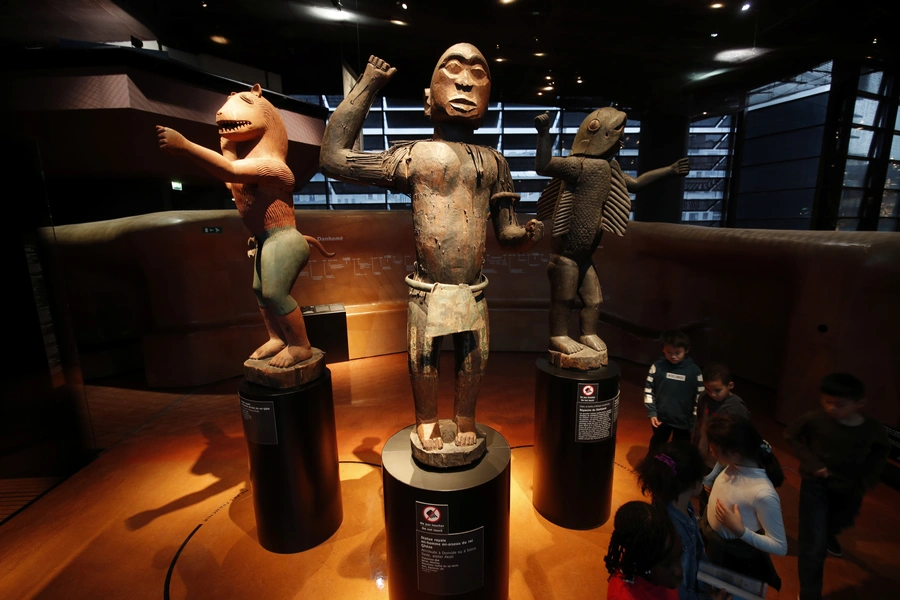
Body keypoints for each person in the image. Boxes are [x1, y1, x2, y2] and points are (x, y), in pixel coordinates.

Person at [320, 48, 542, 451]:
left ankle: (465, 417)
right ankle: (425, 421)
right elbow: (333, 159)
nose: (465, 81)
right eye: (452, 68)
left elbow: (506, 230)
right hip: (427, 288)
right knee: (423, 359)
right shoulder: (414, 155)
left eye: (479, 72)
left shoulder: (494, 163)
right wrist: (368, 83)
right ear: (428, 98)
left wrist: (523, 235)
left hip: (472, 290)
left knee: (474, 359)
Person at [784, 372, 890, 600]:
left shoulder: (870, 427)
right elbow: (791, 435)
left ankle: (829, 533)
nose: (831, 408)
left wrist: (867, 477)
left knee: (841, 521)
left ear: (859, 403)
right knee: (812, 545)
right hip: (816, 486)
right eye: (826, 401)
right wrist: (813, 463)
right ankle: (809, 594)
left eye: (839, 404)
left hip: (850, 488)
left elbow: (882, 448)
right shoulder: (814, 419)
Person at [701, 414, 786, 591]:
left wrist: (741, 531)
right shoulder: (731, 464)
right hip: (715, 548)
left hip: (736, 560)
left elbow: (780, 546)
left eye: (714, 446)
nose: (710, 450)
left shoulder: (762, 492)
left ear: (735, 452)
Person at [636, 443, 730, 600]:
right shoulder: (672, 532)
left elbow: (698, 553)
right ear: (694, 484)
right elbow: (676, 588)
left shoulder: (683, 506)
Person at [604, 501, 684, 600]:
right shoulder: (622, 597)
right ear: (644, 562)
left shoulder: (659, 575)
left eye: (680, 555)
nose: (679, 571)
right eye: (667, 564)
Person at [644, 331, 704, 454]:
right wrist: (652, 412)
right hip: (661, 419)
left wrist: (694, 421)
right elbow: (649, 390)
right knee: (656, 447)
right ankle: (653, 470)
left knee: (680, 451)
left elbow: (699, 397)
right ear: (663, 350)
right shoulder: (657, 367)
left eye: (677, 353)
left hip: (684, 421)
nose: (673, 356)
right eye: (669, 352)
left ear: (686, 350)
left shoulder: (695, 371)